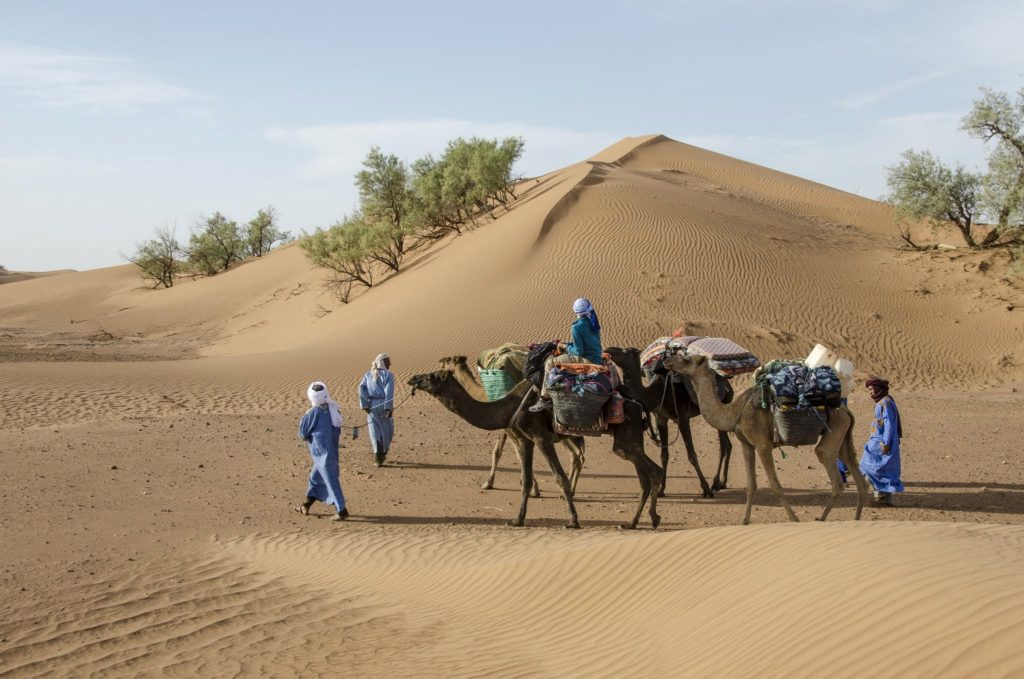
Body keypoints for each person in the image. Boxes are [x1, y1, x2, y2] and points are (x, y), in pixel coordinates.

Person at [529, 297, 603, 412]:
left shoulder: (576, 327)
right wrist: (568, 344)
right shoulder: (593, 321)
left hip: (586, 359)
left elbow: (579, 352)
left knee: (549, 363)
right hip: (596, 356)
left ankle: (544, 399)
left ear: (576, 311)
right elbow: (586, 343)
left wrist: (566, 347)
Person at [296, 381, 348, 520]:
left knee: (331, 480)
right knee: (315, 478)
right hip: (329, 451)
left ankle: (342, 510)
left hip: (322, 453)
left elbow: (302, 434)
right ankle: (305, 505)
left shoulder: (313, 412)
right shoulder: (332, 409)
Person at [858, 376, 904, 507]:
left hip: (881, 443)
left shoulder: (885, 403)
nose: (870, 392)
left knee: (868, 468)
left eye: (872, 389)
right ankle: (881, 497)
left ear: (878, 388)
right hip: (876, 441)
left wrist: (886, 443)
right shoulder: (882, 402)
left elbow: (889, 424)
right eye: (868, 390)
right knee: (877, 470)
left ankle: (882, 497)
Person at [359, 353, 395, 467]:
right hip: (384, 403)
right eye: (388, 361)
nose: (390, 363)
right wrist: (388, 407)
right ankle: (382, 452)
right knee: (388, 429)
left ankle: (378, 456)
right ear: (382, 362)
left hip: (372, 405)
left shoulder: (368, 374)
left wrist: (365, 404)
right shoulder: (388, 375)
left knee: (374, 429)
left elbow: (361, 388)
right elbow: (389, 392)